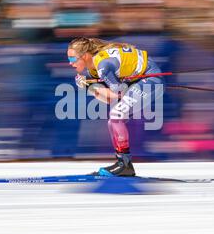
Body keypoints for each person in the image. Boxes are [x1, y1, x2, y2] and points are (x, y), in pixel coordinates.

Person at [67, 37, 164, 176]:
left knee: (116, 116)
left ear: (85, 56)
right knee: (113, 119)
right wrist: (90, 88)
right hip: (141, 80)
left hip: (151, 80)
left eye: (72, 59)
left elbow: (117, 93)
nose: (70, 63)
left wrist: (89, 86)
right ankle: (123, 163)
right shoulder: (94, 69)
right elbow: (109, 99)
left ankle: (124, 165)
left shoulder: (102, 66)